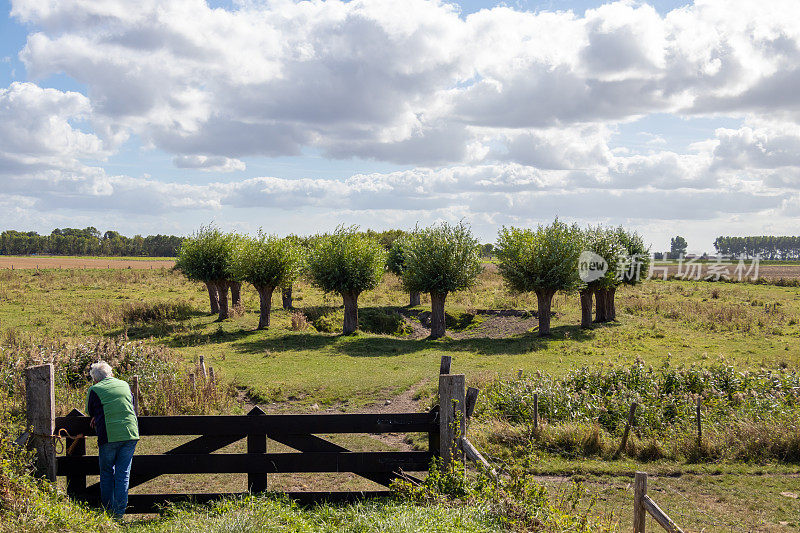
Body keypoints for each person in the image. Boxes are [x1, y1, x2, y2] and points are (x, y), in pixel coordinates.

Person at [86, 361, 139, 520]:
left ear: (95, 379)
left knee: (107, 473)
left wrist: (96, 416)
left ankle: (108, 513)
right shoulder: (124, 384)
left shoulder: (94, 389)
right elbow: (131, 404)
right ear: (111, 374)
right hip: (130, 433)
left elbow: (90, 410)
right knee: (123, 474)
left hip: (109, 434)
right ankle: (119, 514)